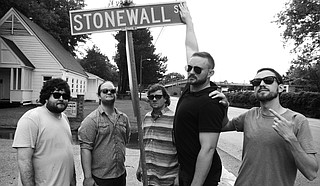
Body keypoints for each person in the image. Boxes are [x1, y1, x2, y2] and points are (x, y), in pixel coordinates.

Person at [211, 67, 319, 186]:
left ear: (280, 88)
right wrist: (224, 108)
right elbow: (223, 126)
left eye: (268, 80)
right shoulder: (249, 115)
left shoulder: (297, 120)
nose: (261, 84)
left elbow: (311, 173)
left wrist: (291, 138)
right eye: (256, 82)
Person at [172, 4, 226, 186]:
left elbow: (208, 149)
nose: (191, 71)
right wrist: (189, 22)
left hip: (202, 177)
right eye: (189, 67)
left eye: (197, 69)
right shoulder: (190, 86)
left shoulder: (211, 101)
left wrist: (195, 184)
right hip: (186, 169)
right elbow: (190, 47)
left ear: (210, 73)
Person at [12, 78, 76, 186]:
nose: (61, 99)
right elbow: (24, 161)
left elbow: (67, 156)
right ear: (46, 96)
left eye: (65, 96)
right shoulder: (31, 118)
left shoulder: (64, 118)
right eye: (56, 95)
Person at [78, 81, 131, 186]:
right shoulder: (91, 120)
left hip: (120, 175)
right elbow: (85, 149)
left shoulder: (124, 118)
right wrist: (88, 177)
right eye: (105, 91)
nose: (109, 93)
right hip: (100, 178)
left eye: (112, 91)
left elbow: (126, 140)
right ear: (99, 95)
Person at [136, 84, 179, 186]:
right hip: (149, 178)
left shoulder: (174, 119)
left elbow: (182, 150)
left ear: (165, 99)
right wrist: (140, 166)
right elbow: (144, 145)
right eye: (151, 97)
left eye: (158, 96)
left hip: (168, 180)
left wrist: (179, 176)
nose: (154, 99)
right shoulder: (146, 118)